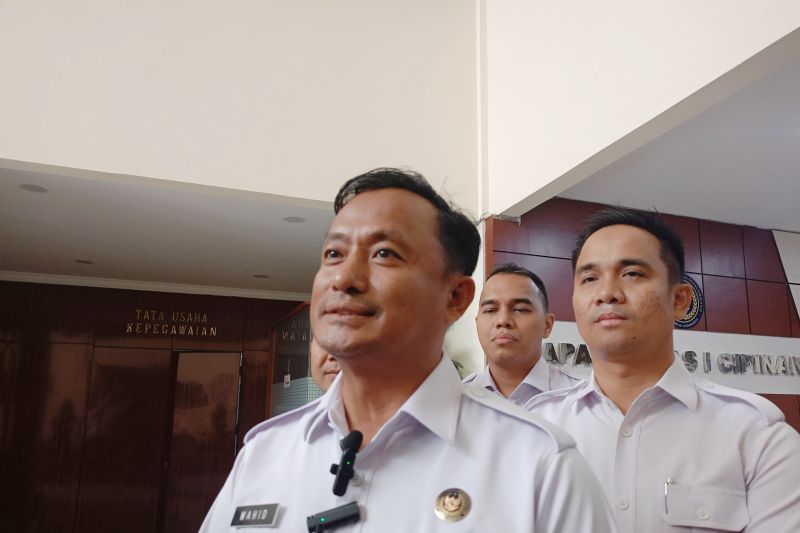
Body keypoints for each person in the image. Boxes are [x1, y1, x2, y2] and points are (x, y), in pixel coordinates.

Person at [201, 168, 614, 532]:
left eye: (384, 253)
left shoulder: (539, 465)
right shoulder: (266, 454)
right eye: (333, 254)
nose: (343, 278)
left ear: (455, 297)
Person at [525, 207, 800, 533]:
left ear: (680, 300)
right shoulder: (536, 428)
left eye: (632, 274)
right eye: (589, 279)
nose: (607, 293)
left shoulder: (756, 435)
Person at [464, 263, 580, 405]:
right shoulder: (456, 399)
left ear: (547, 325)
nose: (503, 320)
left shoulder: (581, 399)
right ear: (477, 323)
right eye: (490, 310)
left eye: (520, 309)